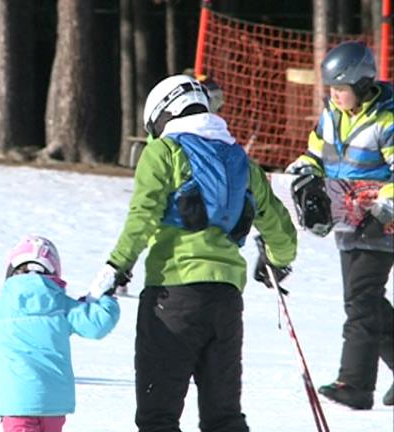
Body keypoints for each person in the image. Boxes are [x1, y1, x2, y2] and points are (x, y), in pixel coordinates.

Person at [91, 74, 298, 432]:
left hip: (172, 298)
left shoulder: (164, 152)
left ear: (163, 115)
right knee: (224, 417)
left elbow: (144, 214)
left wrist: (118, 265)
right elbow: (280, 228)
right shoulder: (240, 159)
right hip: (226, 303)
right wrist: (276, 261)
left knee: (159, 416)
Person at [285, 40, 394, 410]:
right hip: (347, 220)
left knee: (360, 302)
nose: (335, 95)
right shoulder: (330, 117)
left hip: (382, 224)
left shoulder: (387, 121)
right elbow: (318, 156)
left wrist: (382, 206)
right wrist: (304, 173)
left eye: (341, 89)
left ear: (363, 85)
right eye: (332, 89)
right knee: (368, 302)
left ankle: (356, 385)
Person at [0, 235, 120, 432]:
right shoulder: (62, 305)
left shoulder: (2, 310)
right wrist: (106, 298)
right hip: (53, 404)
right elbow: (97, 324)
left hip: (16, 403)